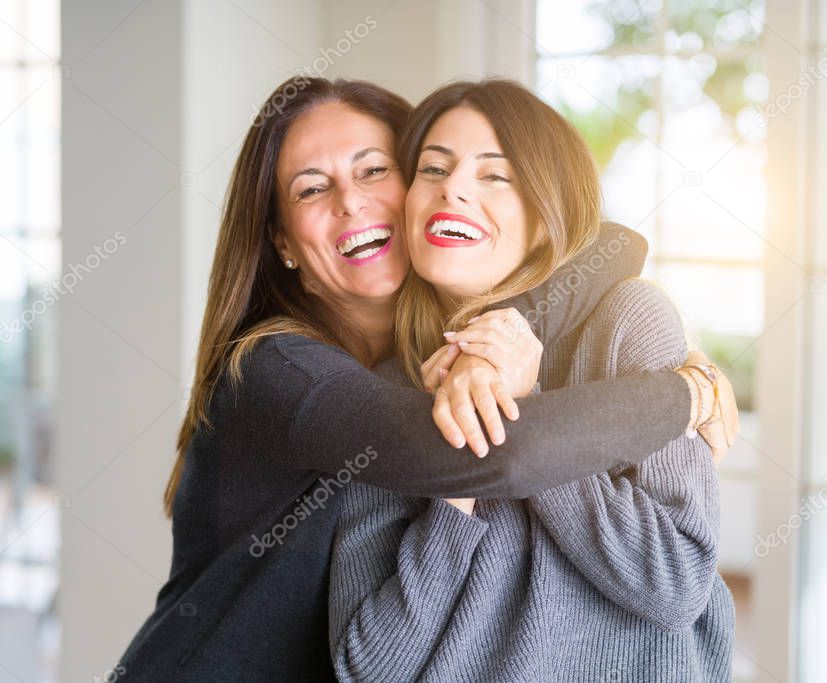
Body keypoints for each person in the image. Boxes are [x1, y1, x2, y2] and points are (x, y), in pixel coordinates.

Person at [116, 76, 734, 682]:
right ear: (283, 242)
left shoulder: (617, 321)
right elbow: (473, 455)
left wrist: (500, 356)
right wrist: (688, 394)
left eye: (374, 170)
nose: (352, 202)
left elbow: (677, 586)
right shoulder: (291, 373)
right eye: (311, 189)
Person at [329, 79, 737, 682]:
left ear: (549, 217)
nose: (453, 187)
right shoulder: (384, 391)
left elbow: (675, 586)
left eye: (494, 175)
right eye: (433, 168)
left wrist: (525, 406)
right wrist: (455, 468)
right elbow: (367, 668)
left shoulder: (629, 321)